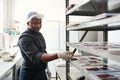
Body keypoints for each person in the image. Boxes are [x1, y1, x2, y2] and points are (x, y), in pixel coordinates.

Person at [18, 11, 75, 80]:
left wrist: (46, 67)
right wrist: (58, 55)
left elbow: (43, 52)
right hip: (30, 74)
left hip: (41, 71)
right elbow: (36, 57)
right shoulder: (25, 38)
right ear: (28, 23)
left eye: (40, 23)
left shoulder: (39, 34)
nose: (38, 25)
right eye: (35, 23)